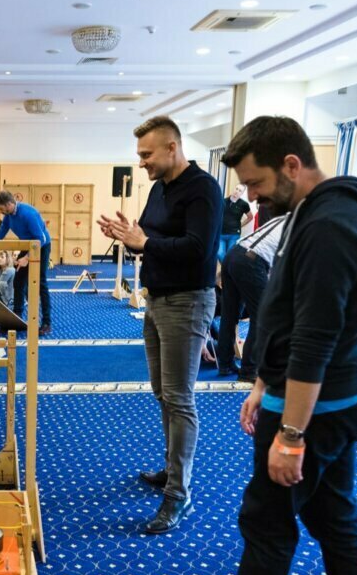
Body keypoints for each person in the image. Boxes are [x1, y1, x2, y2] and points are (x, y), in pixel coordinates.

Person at [164, 116, 357, 575]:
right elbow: (289, 313)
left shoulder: (332, 224)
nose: (252, 197)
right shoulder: (315, 212)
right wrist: (264, 380)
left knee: (267, 520)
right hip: (325, 397)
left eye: (258, 184)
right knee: (334, 518)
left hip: (318, 407)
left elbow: (316, 337)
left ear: (292, 164)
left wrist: (291, 433)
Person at [98, 115, 221, 534]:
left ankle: (178, 493)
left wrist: (145, 242)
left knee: (180, 398)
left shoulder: (203, 189)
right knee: (163, 394)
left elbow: (198, 249)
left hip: (187, 301)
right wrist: (128, 234)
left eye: (147, 154)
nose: (142, 163)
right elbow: (148, 237)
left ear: (173, 148)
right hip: (157, 300)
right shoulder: (159, 189)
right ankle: (172, 471)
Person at [216, 210, 287, 382]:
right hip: (251, 261)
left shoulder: (285, 218)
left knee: (229, 314)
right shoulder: (303, 226)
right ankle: (249, 370)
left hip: (235, 254)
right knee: (262, 317)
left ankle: (225, 364)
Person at [0, 190, 52, 335]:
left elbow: (41, 239)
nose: (0, 211)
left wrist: (26, 258)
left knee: (40, 283)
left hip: (42, 247)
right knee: (19, 281)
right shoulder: (8, 216)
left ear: (9, 204)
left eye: (1, 208)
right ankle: (16, 318)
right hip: (28, 245)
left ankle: (46, 323)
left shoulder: (28, 214)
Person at [218, 183, 252, 262]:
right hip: (221, 234)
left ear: (242, 193)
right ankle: (226, 270)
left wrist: (241, 225)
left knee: (230, 255)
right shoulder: (223, 201)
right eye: (236, 189)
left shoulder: (244, 204)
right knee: (219, 253)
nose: (237, 191)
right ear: (234, 189)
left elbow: (250, 217)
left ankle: (225, 272)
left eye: (240, 191)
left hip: (234, 234)